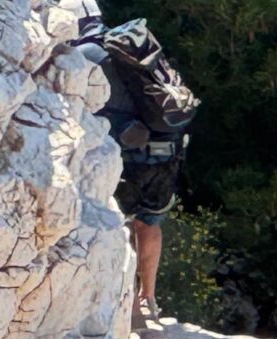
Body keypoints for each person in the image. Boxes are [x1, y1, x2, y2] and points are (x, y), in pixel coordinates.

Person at [68, 7, 198, 320]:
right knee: (149, 222)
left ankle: (124, 303)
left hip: (126, 155)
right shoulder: (130, 46)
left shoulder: (85, 54)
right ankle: (148, 298)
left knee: (117, 223)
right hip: (166, 151)